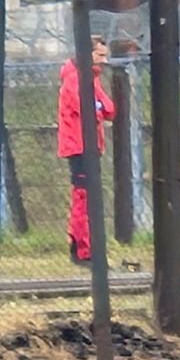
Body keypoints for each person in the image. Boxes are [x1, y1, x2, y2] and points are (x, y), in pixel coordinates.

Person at [57, 37, 116, 265]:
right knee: (83, 198)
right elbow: (85, 108)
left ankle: (80, 245)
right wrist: (97, 107)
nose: (104, 60)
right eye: (100, 55)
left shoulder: (91, 78)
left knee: (86, 197)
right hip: (79, 147)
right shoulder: (74, 78)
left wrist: (97, 106)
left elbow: (108, 109)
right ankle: (83, 249)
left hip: (90, 146)